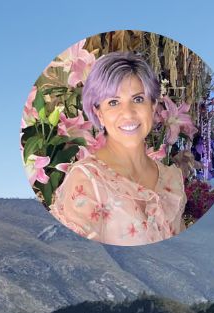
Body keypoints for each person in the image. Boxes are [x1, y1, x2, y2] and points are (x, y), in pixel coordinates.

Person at [49, 51, 186, 246]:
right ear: (99, 113)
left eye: (138, 99)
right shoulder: (88, 180)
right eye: (113, 102)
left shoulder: (173, 180)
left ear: (153, 106)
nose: (128, 113)